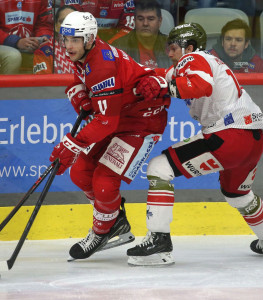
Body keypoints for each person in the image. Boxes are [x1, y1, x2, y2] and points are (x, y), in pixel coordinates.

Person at [126, 23, 263, 266]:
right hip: (253, 140)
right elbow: (156, 77)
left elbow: (200, 86)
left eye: (173, 48)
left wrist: (161, 86)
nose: (170, 53)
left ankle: (158, 243)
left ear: (189, 47)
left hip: (229, 136)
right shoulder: (194, 64)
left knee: (159, 168)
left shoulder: (194, 58)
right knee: (237, 194)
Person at [49, 11, 171, 261]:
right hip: (118, 116)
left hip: (141, 121)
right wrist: (78, 92)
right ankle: (115, 221)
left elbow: (105, 120)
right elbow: (81, 77)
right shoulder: (86, 51)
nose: (68, 46)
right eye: (66, 39)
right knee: (80, 174)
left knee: (104, 183)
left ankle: (102, 230)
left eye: (75, 40)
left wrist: (73, 144)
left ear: (90, 38)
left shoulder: (102, 64)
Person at [112, 0, 172, 69]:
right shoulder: (119, 47)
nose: (145, 23)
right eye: (140, 19)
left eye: (150, 19)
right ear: (134, 20)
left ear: (159, 21)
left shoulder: (171, 46)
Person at [0, 0, 52, 74]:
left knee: (47, 51)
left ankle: (43, 85)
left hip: (31, 45)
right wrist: (16, 41)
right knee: (13, 56)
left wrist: (42, 38)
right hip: (3, 44)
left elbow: (43, 24)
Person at [33, 5, 77, 74]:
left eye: (73, 21)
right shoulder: (43, 51)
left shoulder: (88, 49)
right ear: (56, 26)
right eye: (62, 21)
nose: (67, 25)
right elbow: (43, 83)